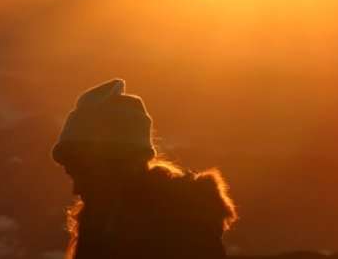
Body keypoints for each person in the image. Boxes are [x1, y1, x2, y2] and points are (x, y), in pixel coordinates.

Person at [52, 79, 237, 258]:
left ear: (121, 164)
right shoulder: (100, 219)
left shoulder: (181, 227)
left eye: (85, 174)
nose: (76, 189)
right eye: (72, 174)